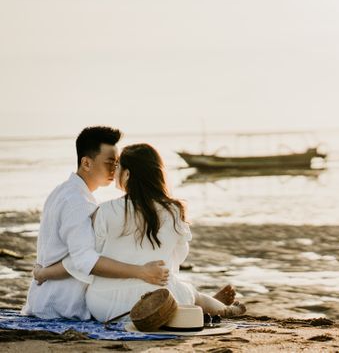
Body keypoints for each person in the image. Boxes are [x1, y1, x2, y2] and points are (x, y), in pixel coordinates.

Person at [35, 143, 246, 322]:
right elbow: (177, 257)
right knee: (187, 292)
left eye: (118, 167)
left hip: (106, 307)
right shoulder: (174, 210)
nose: (114, 171)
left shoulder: (105, 211)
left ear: (127, 174)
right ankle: (220, 309)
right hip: (160, 298)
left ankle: (200, 304)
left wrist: (44, 272)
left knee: (181, 293)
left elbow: (84, 262)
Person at [22, 126, 169, 320]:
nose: (115, 169)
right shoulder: (78, 203)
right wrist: (141, 272)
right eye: (110, 162)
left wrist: (43, 273)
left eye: (117, 163)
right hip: (64, 305)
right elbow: (83, 260)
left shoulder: (64, 191)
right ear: (86, 163)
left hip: (48, 297)